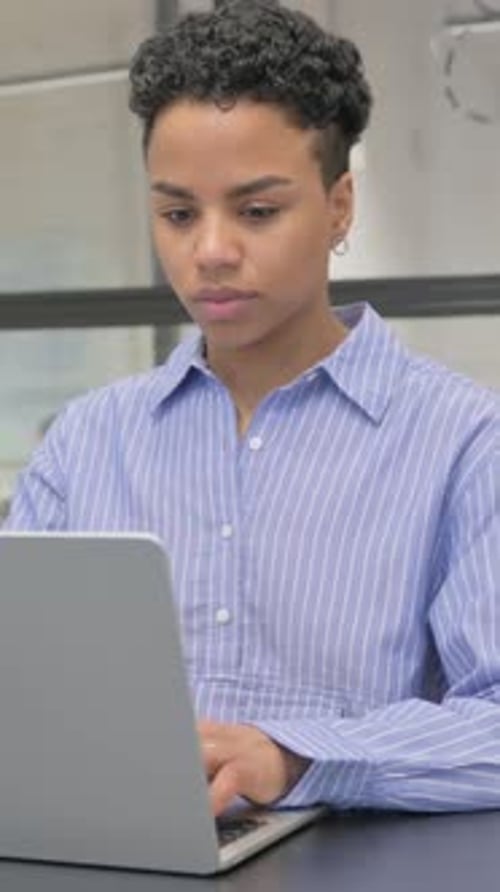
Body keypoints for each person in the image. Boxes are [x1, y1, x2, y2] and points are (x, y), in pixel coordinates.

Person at [3, 0, 499, 817]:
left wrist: (300, 759)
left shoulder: (464, 441)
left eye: (258, 211)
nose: (211, 252)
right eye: (177, 214)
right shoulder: (87, 440)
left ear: (339, 206)